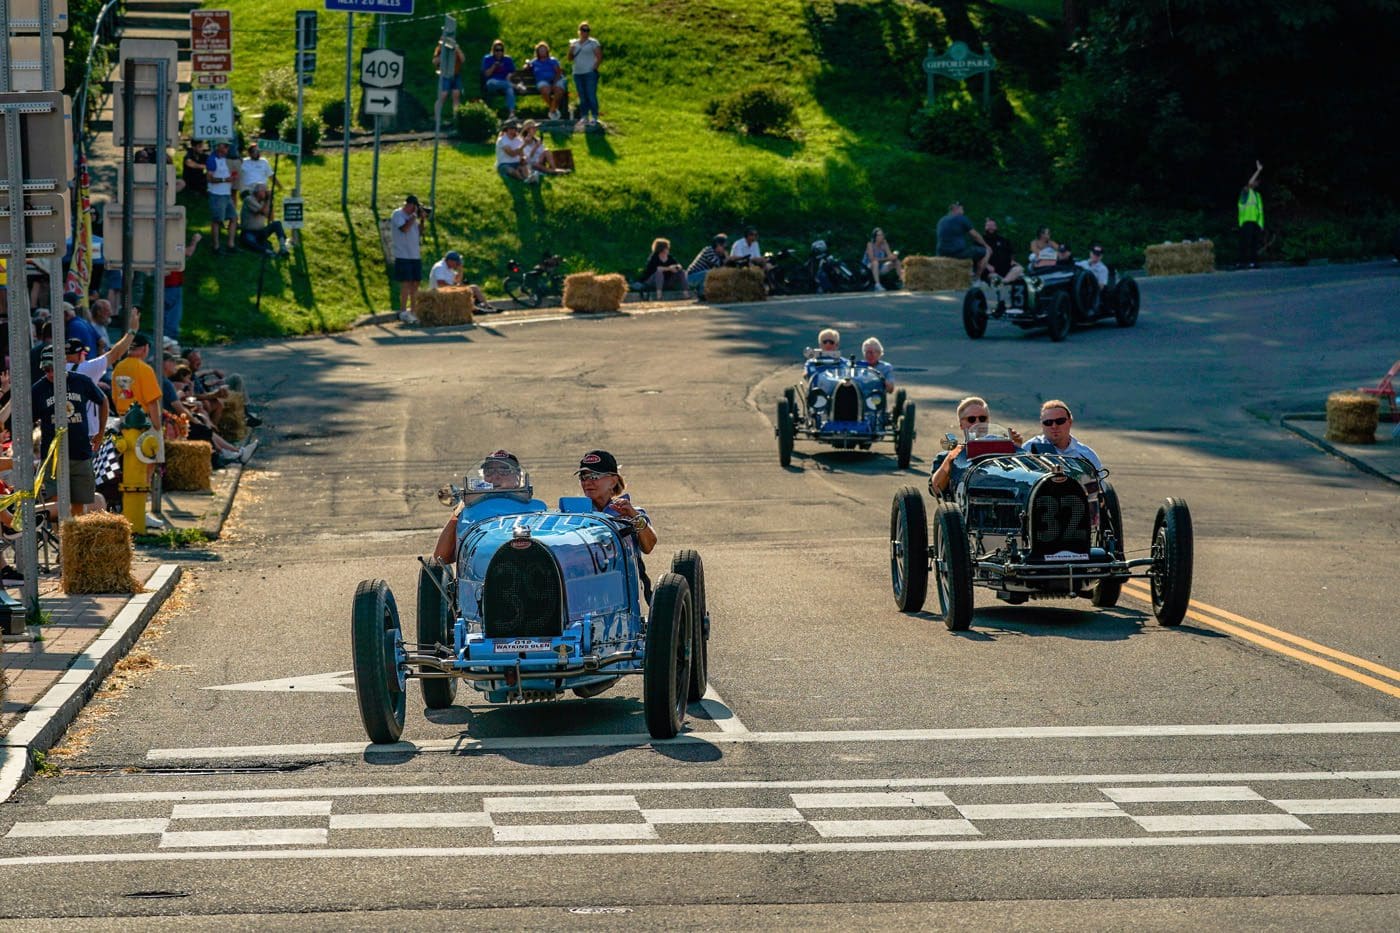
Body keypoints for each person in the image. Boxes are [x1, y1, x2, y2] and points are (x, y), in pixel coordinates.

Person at [30, 346, 107, 516]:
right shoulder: (38, 390)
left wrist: (100, 433)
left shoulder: (81, 381)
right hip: (53, 457)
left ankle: (74, 540)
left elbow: (103, 401)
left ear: (64, 363)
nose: (50, 373)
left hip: (80, 453)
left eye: (53, 369)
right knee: (56, 506)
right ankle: (61, 540)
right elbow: (30, 421)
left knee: (79, 506)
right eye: (46, 369)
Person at [431, 450, 546, 562]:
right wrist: (457, 512)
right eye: (489, 471)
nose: (495, 476)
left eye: (504, 470)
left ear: (518, 476)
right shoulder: (468, 510)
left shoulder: (537, 508)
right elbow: (441, 557)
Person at [929, 396, 1024, 495]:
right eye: (971, 419)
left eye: (982, 419)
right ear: (961, 424)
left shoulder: (1002, 450)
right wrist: (950, 459)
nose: (978, 423)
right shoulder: (944, 457)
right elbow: (935, 490)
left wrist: (1016, 449)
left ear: (988, 421)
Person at [575, 449, 655, 555]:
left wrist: (635, 517)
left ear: (613, 481)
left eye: (594, 477)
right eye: (583, 477)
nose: (587, 483)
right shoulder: (574, 513)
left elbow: (648, 547)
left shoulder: (631, 513)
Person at [1024, 400, 1101, 470]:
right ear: (1042, 425)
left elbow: (1100, 483)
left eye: (1060, 421)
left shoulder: (1087, 455)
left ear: (1070, 422)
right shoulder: (1029, 449)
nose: (1054, 426)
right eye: (1048, 422)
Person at [390, 194, 424, 325]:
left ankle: (413, 311)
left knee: (415, 283)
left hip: (415, 254)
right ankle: (403, 311)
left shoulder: (413, 218)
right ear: (408, 205)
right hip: (403, 254)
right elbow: (404, 228)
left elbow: (420, 232)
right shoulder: (398, 214)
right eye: (413, 206)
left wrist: (422, 220)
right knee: (406, 282)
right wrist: (413, 217)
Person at [162, 235, 203, 340]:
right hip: (172, 283)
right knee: (173, 313)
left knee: (166, 312)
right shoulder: (173, 243)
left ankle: (165, 338)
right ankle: (170, 339)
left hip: (165, 283)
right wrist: (194, 241)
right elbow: (188, 252)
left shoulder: (161, 243)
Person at [935, 201, 989, 280]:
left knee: (971, 251)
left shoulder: (941, 220)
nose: (963, 210)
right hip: (956, 253)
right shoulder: (961, 218)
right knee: (986, 251)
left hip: (941, 253)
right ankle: (976, 278)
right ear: (956, 209)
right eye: (961, 208)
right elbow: (975, 235)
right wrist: (986, 245)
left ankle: (970, 272)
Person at [428, 250, 496, 312]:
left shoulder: (450, 268)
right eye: (456, 262)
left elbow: (457, 281)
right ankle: (474, 309)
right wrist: (456, 288)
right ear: (450, 260)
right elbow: (441, 284)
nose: (457, 264)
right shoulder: (439, 267)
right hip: (439, 292)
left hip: (449, 289)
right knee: (463, 291)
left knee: (474, 287)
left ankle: (487, 306)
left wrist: (460, 270)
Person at [205, 140, 238, 254]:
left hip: (227, 194)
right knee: (217, 221)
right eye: (225, 147)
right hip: (217, 195)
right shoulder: (212, 159)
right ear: (219, 147)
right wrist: (225, 180)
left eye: (228, 147)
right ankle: (216, 247)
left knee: (233, 218)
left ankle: (231, 244)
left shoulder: (226, 160)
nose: (227, 149)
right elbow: (209, 178)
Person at [239, 185, 290, 257]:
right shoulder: (249, 199)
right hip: (248, 232)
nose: (266, 193)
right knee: (249, 243)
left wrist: (270, 202)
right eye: (264, 191)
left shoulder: (264, 201)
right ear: (258, 192)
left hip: (261, 231)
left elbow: (271, 217)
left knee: (277, 223)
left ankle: (283, 247)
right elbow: (262, 211)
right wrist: (267, 200)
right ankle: (268, 252)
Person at [568, 22, 602, 125]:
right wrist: (571, 49)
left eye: (587, 30)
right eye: (583, 30)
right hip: (577, 72)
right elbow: (570, 58)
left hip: (589, 72)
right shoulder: (575, 43)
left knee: (591, 94)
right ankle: (584, 116)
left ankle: (595, 116)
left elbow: (599, 56)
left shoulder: (593, 43)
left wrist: (594, 68)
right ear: (579, 31)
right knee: (582, 95)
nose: (585, 32)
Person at [529, 42, 568, 120]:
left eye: (544, 50)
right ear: (537, 52)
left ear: (547, 51)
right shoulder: (534, 62)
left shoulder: (553, 61)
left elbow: (558, 72)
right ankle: (554, 110)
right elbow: (527, 67)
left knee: (559, 91)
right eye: (540, 50)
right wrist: (527, 65)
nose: (542, 52)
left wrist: (554, 83)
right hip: (542, 81)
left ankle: (552, 111)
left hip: (556, 79)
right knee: (544, 90)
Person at [433, 35, 466, 121]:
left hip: (455, 74)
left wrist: (457, 49)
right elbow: (434, 61)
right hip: (445, 75)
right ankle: (437, 118)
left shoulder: (455, 50)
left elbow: (462, 59)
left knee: (456, 94)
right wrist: (441, 57)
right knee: (443, 95)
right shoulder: (440, 50)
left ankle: (456, 118)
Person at [481, 40, 517, 118]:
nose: (499, 52)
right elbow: (486, 74)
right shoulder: (488, 59)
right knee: (493, 82)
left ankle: (512, 113)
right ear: (493, 50)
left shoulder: (508, 59)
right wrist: (493, 67)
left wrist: (510, 75)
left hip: (504, 82)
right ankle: (516, 86)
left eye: (501, 50)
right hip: (492, 83)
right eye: (497, 50)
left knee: (510, 90)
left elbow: (513, 71)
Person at [1239, 160, 1264, 269]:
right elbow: (1249, 183)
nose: (1256, 183)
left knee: (1254, 244)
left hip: (1255, 222)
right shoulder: (1246, 192)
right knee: (1246, 243)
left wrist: (1261, 224)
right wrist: (1258, 170)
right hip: (1246, 220)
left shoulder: (1257, 195)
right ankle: (1243, 262)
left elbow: (1260, 211)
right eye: (1256, 181)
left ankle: (1253, 262)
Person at [983, 218, 1023, 283]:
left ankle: (1004, 281)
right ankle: (1004, 280)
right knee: (993, 276)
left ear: (996, 227)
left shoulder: (1003, 240)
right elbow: (977, 258)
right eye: (988, 226)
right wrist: (986, 265)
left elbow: (1012, 252)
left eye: (993, 225)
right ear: (985, 227)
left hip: (1006, 269)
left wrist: (1012, 261)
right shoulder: (981, 241)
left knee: (1019, 268)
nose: (991, 228)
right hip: (991, 270)